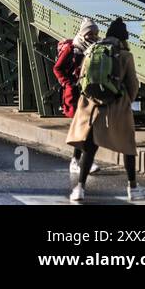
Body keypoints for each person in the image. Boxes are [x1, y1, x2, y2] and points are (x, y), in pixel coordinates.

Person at [67, 17, 145, 202]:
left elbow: (82, 78)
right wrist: (126, 100)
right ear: (123, 38)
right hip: (117, 105)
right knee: (128, 146)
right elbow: (133, 85)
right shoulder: (125, 55)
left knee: (90, 147)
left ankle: (79, 189)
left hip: (92, 105)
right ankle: (133, 188)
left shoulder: (92, 50)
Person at [54, 17, 101, 176]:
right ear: (83, 33)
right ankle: (80, 162)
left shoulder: (96, 48)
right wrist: (67, 83)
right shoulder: (73, 48)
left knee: (85, 128)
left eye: (96, 33)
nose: (93, 36)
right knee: (84, 128)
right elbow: (57, 68)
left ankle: (78, 161)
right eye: (90, 33)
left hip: (88, 93)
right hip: (73, 95)